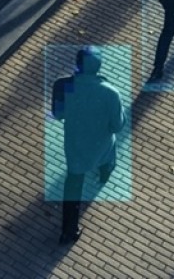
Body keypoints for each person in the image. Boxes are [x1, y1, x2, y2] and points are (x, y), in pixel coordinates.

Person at [51, 46, 125, 245]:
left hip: (75, 143)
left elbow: (58, 115)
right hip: (101, 144)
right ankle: (104, 175)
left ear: (77, 64)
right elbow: (118, 126)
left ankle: (68, 232)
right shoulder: (111, 93)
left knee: (73, 185)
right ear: (99, 67)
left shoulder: (63, 85)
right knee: (107, 161)